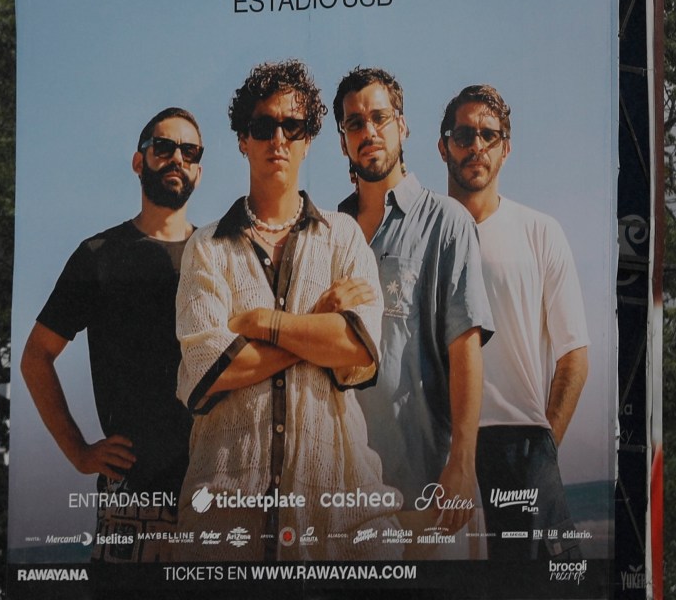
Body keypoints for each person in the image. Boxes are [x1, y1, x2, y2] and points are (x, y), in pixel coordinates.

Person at [176, 59, 397, 562]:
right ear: (242, 139)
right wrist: (315, 327)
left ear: (309, 138)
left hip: (340, 520)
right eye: (263, 126)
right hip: (224, 525)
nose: (278, 138)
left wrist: (262, 324)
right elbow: (209, 367)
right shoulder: (207, 247)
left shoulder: (343, 235)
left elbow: (357, 351)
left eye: (292, 125)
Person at [20, 108, 205, 561]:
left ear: (199, 168)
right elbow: (36, 357)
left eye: (189, 151)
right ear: (139, 162)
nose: (176, 158)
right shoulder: (98, 256)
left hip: (214, 499)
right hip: (131, 505)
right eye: (164, 148)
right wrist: (79, 451)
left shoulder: (220, 257)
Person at [334, 66, 489, 552]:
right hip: (345, 496)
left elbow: (465, 347)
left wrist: (461, 464)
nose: (369, 132)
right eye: (355, 124)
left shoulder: (447, 222)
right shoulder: (326, 234)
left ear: (402, 127)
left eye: (380, 118)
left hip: (426, 491)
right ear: (343, 141)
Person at [439, 83, 590, 559]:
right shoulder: (422, 237)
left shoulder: (539, 232)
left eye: (489, 134)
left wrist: (543, 450)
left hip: (520, 444)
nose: (476, 145)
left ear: (506, 147)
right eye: (464, 135)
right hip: (436, 445)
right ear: (443, 144)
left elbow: (574, 355)